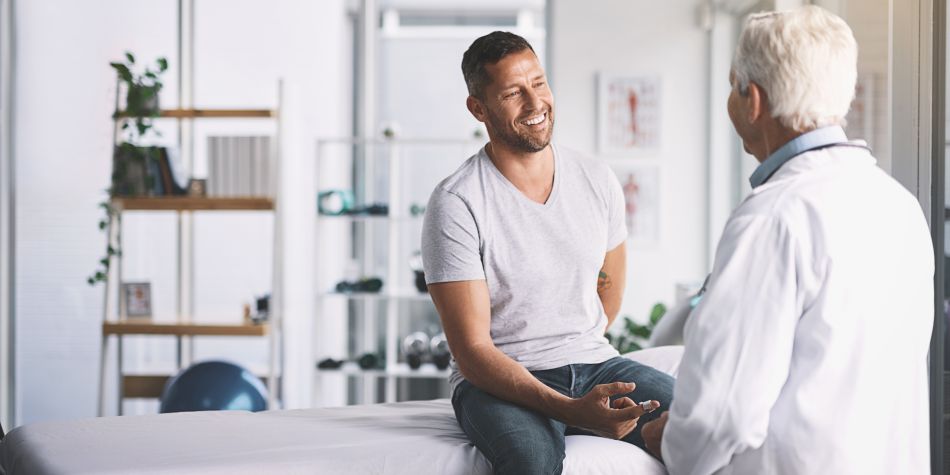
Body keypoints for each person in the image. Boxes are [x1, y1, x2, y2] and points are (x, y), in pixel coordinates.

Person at [640, 6, 934, 474]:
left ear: (751, 99)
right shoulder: (900, 205)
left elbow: (721, 413)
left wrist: (669, 442)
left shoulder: (772, 217)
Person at [421, 31, 675, 474]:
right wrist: (570, 409)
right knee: (533, 462)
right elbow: (472, 350)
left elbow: (607, 293)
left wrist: (579, 379)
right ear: (478, 108)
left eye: (538, 83)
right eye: (513, 93)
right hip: (497, 383)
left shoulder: (596, 178)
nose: (535, 103)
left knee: (707, 421)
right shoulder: (457, 202)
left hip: (594, 363)